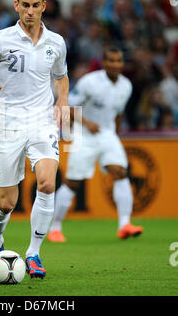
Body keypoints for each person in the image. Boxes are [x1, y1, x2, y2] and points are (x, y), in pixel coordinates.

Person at [0, 0, 69, 279]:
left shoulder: (56, 43)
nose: (30, 11)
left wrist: (62, 100)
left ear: (43, 6)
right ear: (16, 6)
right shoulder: (0, 39)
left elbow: (61, 77)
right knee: (6, 203)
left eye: (35, 5)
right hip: (6, 124)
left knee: (48, 183)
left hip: (42, 121)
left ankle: (34, 253)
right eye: (24, 5)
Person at [47, 47, 144, 243]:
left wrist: (114, 135)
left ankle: (124, 224)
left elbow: (118, 113)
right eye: (111, 60)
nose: (115, 64)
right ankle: (55, 227)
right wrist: (87, 123)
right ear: (104, 63)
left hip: (107, 134)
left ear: (122, 64)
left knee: (120, 171)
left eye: (118, 61)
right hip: (83, 135)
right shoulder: (89, 82)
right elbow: (68, 105)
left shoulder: (126, 86)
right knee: (73, 182)